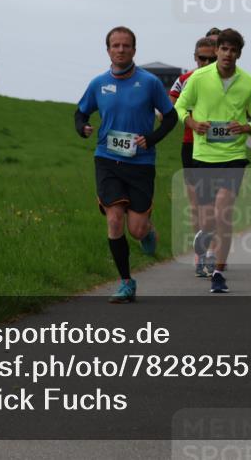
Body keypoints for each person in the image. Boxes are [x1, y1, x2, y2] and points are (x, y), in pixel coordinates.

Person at [75, 26, 179, 303]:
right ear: (108, 50)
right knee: (114, 218)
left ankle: (148, 230)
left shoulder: (149, 83)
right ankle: (125, 281)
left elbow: (170, 118)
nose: (120, 50)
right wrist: (82, 127)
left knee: (136, 230)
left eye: (126, 45)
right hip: (107, 159)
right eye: (115, 45)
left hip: (140, 163)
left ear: (134, 49)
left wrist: (151, 139)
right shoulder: (98, 83)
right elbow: (80, 112)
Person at [174, 28, 251, 293]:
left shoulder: (248, 82)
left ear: (239, 54)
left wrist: (247, 127)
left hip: (234, 156)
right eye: (224, 49)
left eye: (233, 50)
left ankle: (218, 272)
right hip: (203, 155)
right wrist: (192, 123)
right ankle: (203, 240)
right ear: (217, 51)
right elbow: (179, 107)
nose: (228, 54)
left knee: (223, 213)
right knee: (207, 219)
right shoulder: (199, 78)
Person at [169, 36, 218, 277]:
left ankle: (212, 253)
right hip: (191, 145)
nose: (206, 63)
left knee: (216, 206)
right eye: (202, 58)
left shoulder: (227, 79)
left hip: (220, 149)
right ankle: (200, 253)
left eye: (211, 59)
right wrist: (188, 118)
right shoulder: (184, 79)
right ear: (195, 58)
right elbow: (172, 104)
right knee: (196, 205)